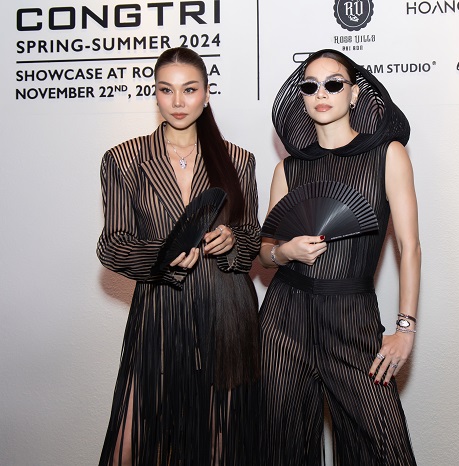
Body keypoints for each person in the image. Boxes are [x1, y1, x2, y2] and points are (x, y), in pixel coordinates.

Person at [97, 47, 261, 466]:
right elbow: (113, 244)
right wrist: (165, 255)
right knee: (129, 442)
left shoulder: (238, 160)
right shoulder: (124, 160)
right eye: (166, 90)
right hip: (160, 309)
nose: (178, 101)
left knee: (220, 445)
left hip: (224, 310)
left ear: (206, 94)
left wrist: (232, 240)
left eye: (189, 89)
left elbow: (251, 237)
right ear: (155, 95)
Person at [259, 49, 420, 465]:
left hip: (351, 317)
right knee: (282, 447)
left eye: (333, 84)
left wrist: (405, 329)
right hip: (284, 320)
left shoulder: (387, 155)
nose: (321, 93)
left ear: (354, 94)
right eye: (310, 85)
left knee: (384, 448)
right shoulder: (288, 170)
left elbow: (410, 247)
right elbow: (264, 252)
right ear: (301, 97)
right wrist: (284, 251)